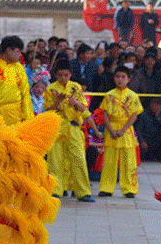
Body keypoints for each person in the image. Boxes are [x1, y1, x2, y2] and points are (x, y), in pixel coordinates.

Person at [46, 60, 96, 202]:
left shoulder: (76, 87)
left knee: (79, 159)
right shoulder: (51, 89)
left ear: (70, 74)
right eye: (60, 75)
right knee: (55, 161)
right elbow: (47, 110)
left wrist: (76, 103)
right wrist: (57, 102)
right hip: (57, 128)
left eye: (66, 75)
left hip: (74, 127)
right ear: (55, 75)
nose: (63, 78)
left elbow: (84, 108)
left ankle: (83, 192)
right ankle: (55, 190)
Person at [98, 66, 143, 198]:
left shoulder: (133, 96)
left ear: (128, 79)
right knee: (109, 161)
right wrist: (111, 130)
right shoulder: (109, 95)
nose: (120, 80)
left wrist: (123, 129)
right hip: (111, 128)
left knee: (129, 161)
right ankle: (106, 188)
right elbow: (105, 113)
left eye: (123, 77)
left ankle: (129, 188)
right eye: (117, 77)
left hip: (127, 130)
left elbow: (135, 115)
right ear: (114, 78)